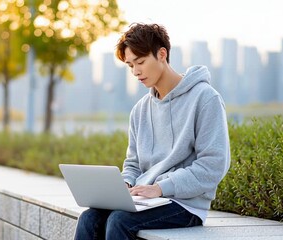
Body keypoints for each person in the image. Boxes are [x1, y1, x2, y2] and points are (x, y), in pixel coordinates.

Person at [74, 23, 231, 240]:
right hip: (146, 199)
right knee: (89, 218)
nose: (136, 71)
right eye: (130, 65)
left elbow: (213, 165)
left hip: (185, 204)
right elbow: (133, 163)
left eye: (140, 62)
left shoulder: (205, 98)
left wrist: (160, 187)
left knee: (119, 221)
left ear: (162, 54)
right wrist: (125, 184)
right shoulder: (140, 110)